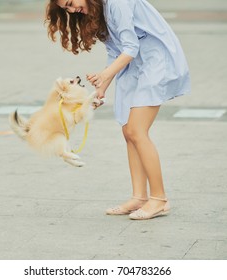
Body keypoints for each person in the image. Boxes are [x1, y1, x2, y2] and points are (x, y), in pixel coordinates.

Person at [45, 0, 191, 220]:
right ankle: (140, 197)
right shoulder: (97, 10)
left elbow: (130, 47)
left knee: (136, 131)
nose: (72, 10)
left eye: (70, 3)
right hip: (133, 65)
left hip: (154, 60)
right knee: (128, 131)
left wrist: (104, 75)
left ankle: (159, 199)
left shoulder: (117, 2)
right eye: (66, 9)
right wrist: (101, 87)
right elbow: (116, 51)